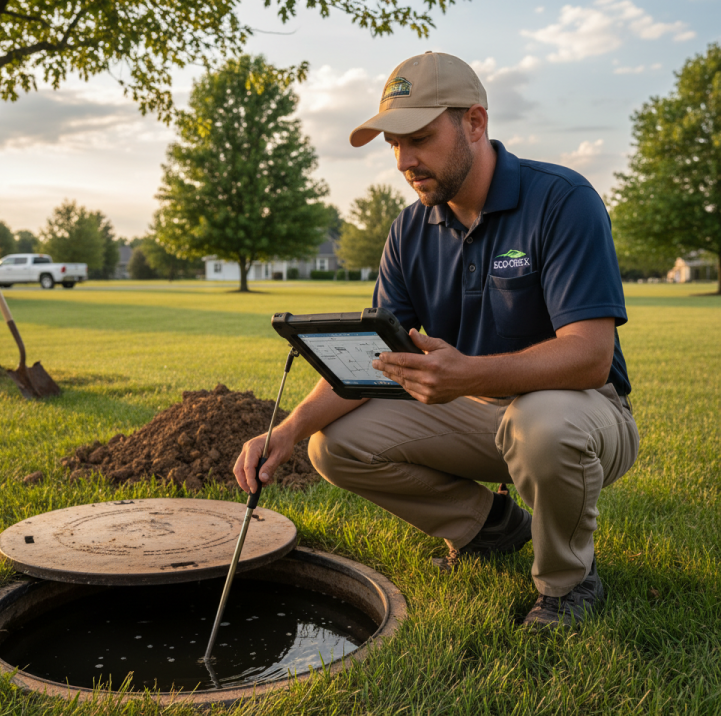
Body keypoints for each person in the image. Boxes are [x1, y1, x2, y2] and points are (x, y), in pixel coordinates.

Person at [234, 51, 639, 628]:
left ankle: (567, 583)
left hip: (586, 415)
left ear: (474, 123)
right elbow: (379, 362)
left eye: (418, 137)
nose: (404, 160)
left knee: (542, 423)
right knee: (333, 443)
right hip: (475, 411)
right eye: (393, 144)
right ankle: (488, 527)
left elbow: (591, 357)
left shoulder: (562, 200)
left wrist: (468, 373)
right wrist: (290, 428)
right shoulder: (408, 230)